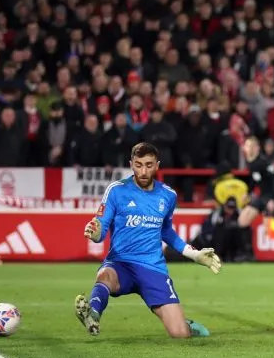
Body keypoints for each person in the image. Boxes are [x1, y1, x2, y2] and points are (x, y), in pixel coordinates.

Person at [76, 142, 222, 338]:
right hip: (121, 263)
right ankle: (92, 313)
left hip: (153, 268)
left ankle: (184, 324)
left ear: (157, 165)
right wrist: (95, 232)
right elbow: (100, 229)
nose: (143, 171)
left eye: (149, 165)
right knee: (105, 275)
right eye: (138, 164)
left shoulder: (168, 195)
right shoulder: (117, 191)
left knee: (180, 334)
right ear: (131, 164)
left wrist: (194, 254)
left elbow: (167, 232)